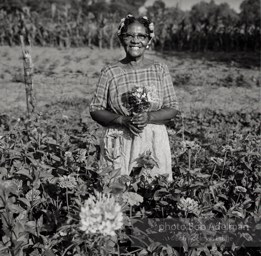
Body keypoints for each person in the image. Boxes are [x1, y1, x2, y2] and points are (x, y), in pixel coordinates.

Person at [89, 14, 179, 182]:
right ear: (121, 38)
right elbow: (95, 109)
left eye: (141, 36)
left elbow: (172, 106)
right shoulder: (110, 72)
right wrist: (123, 120)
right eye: (129, 35)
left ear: (148, 39)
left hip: (153, 140)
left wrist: (149, 117)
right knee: (117, 191)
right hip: (119, 140)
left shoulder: (159, 69)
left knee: (153, 190)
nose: (135, 40)